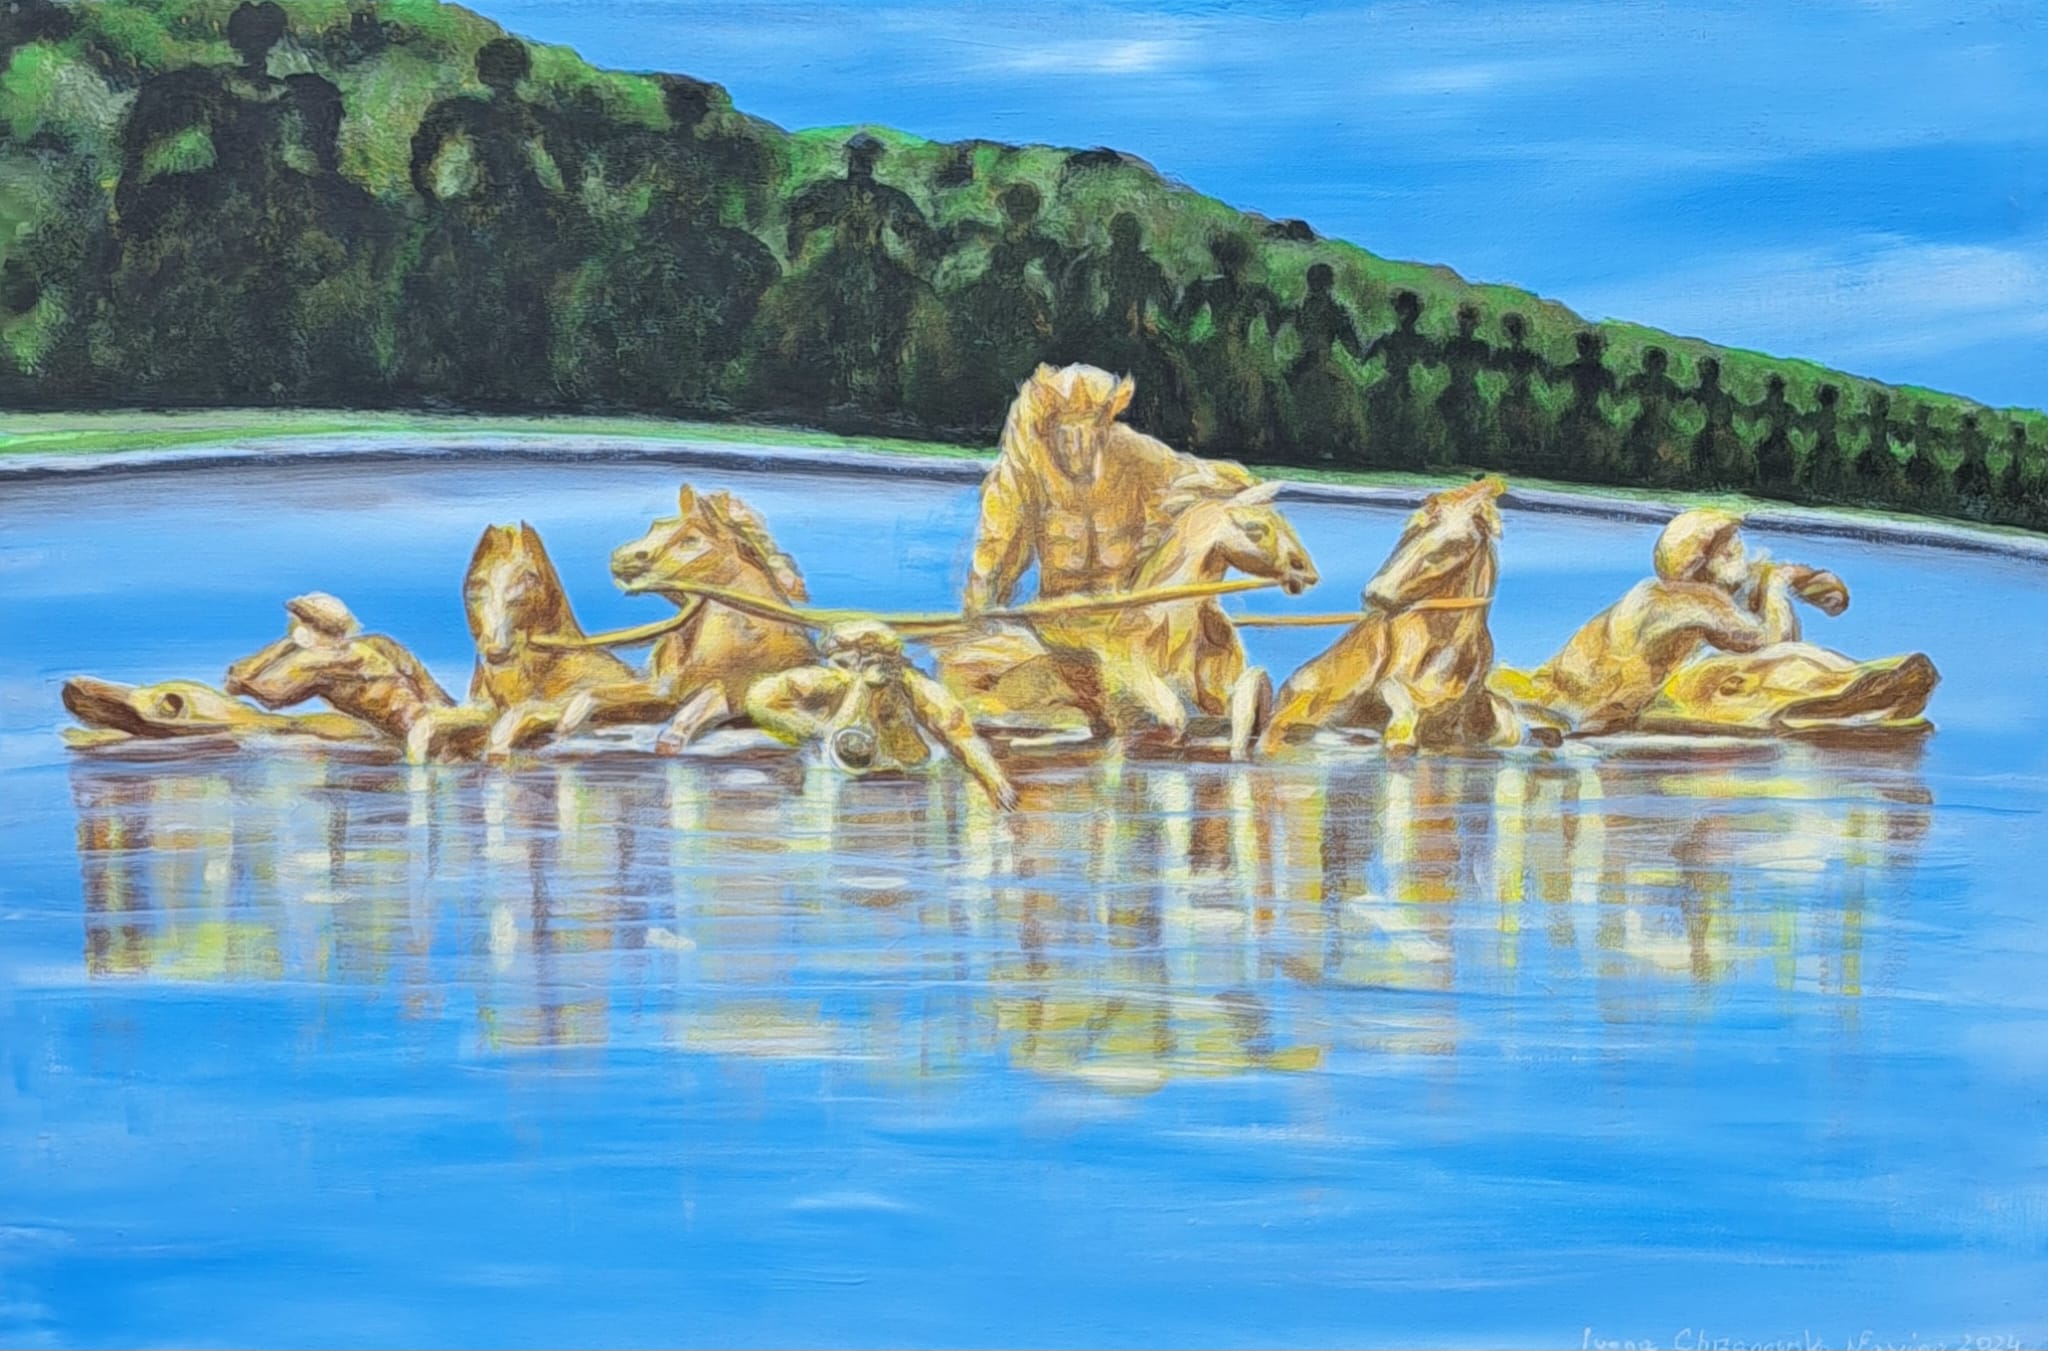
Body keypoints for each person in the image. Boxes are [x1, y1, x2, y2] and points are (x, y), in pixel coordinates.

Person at [962, 362, 1258, 611]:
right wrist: (980, 617)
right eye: (1066, 436)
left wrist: (1245, 485)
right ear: (1049, 430)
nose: (1077, 448)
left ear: (1104, 429)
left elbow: (1197, 476)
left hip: (1127, 623)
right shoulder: (1025, 470)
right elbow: (994, 555)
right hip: (1057, 623)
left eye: (1088, 433)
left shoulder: (1134, 454)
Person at [223, 592, 474, 760]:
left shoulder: (321, 661)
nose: (291, 628)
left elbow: (261, 693)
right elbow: (433, 692)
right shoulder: (376, 644)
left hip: (422, 737)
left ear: (308, 626)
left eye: (294, 623)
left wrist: (283, 646)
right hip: (444, 725)